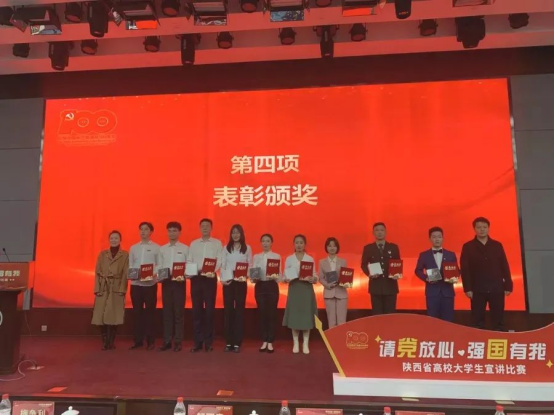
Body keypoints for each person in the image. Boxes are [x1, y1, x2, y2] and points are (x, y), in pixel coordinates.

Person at [461, 217, 513, 331]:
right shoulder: (468, 246)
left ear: (488, 228)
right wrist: (467, 288)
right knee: (477, 320)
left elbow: (504, 266)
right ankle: (478, 340)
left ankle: (499, 339)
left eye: (484, 227)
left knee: (498, 319)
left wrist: (508, 285)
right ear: (474, 229)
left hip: (496, 288)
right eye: (479, 227)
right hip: (477, 288)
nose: (482, 229)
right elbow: (465, 269)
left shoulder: (497, 245)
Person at [188, 218, 223, 353]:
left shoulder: (217, 243)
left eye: (207, 226)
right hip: (196, 279)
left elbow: (219, 260)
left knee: (209, 311)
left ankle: (208, 342)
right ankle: (197, 342)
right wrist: (196, 270)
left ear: (211, 228)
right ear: (199, 228)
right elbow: (189, 260)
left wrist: (210, 270)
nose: (205, 228)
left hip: (209, 279)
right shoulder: (194, 244)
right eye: (202, 226)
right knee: (196, 311)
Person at [92, 230, 129, 350]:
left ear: (120, 240)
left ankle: (111, 341)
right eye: (112, 238)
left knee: (114, 315)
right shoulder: (102, 254)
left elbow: (125, 273)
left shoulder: (125, 255)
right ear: (109, 240)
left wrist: (122, 289)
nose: (114, 240)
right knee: (100, 315)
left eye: (116, 238)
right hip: (103, 287)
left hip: (116, 287)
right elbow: (97, 272)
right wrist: (97, 288)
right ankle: (104, 341)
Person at [283, 235, 318, 355]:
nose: (299, 245)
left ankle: (306, 344)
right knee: (295, 315)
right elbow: (285, 275)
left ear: (305, 244)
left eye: (301, 243)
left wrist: (313, 278)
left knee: (306, 315)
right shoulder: (289, 259)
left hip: (306, 289)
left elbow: (315, 276)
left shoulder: (309, 258)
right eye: (297, 242)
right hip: (294, 289)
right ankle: (296, 343)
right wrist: (286, 279)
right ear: (294, 244)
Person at [415, 227, 458, 322]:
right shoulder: (424, 255)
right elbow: (418, 270)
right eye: (434, 237)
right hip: (432, 292)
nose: (437, 239)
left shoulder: (451, 254)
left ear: (443, 238)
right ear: (430, 239)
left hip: (447, 292)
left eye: (439, 237)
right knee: (432, 320)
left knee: (448, 320)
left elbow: (456, 270)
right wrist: (426, 278)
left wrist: (455, 277)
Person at [129, 222, 161, 350]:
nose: (143, 231)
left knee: (150, 312)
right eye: (141, 229)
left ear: (151, 232)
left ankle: (150, 341)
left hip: (150, 284)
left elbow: (159, 264)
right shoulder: (133, 248)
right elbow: (131, 264)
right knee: (137, 312)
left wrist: (153, 274)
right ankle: (138, 340)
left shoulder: (157, 248)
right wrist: (134, 274)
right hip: (136, 284)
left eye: (146, 229)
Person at [221, 224, 253, 353]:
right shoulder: (226, 248)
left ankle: (237, 342)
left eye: (237, 232)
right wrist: (223, 280)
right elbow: (223, 265)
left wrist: (246, 275)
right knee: (228, 311)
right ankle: (229, 342)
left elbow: (250, 265)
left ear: (241, 234)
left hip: (240, 282)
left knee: (239, 311)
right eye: (233, 232)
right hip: (229, 282)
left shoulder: (247, 248)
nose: (235, 235)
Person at [159, 222, 189, 353]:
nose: (172, 233)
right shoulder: (162, 249)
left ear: (179, 232)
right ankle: (167, 341)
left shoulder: (185, 248)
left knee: (178, 313)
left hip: (179, 282)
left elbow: (189, 264)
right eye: (170, 231)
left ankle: (178, 341)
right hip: (166, 282)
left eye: (174, 231)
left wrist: (185, 274)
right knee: (167, 312)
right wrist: (159, 277)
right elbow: (160, 265)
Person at [361, 223, 401, 315]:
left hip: (390, 286)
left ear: (385, 232)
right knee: (377, 316)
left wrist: (397, 274)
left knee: (390, 316)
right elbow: (363, 265)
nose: (379, 232)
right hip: (375, 287)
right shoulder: (368, 248)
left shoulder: (393, 247)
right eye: (377, 230)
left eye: (382, 230)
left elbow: (397, 263)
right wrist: (369, 274)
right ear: (373, 233)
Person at [253, 234, 281, 353]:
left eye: (268, 241)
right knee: (262, 313)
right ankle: (264, 340)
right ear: (261, 243)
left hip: (272, 286)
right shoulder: (256, 257)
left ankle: (270, 341)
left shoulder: (276, 256)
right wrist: (254, 278)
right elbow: (253, 274)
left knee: (271, 314)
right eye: (263, 241)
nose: (265, 243)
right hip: (260, 286)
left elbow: (279, 275)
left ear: (271, 243)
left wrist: (275, 276)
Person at [319, 237, 348, 328]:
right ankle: (332, 338)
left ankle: (341, 337)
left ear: (337, 248)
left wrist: (345, 282)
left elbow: (346, 276)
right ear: (326, 247)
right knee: (331, 321)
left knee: (342, 322)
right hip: (329, 293)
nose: (332, 248)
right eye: (329, 246)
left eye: (334, 246)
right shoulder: (322, 262)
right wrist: (327, 285)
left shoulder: (343, 261)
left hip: (341, 293)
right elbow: (321, 278)